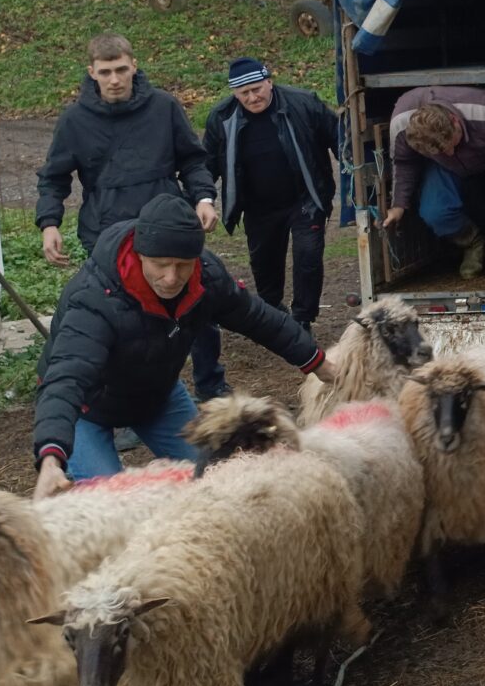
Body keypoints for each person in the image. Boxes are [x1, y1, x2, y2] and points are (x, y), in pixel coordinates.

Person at [32, 195, 331, 495]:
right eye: (160, 265)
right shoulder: (96, 299)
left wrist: (317, 362)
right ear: (140, 254)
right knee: (108, 501)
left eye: (183, 265)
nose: (171, 278)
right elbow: (66, 378)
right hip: (87, 407)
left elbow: (256, 317)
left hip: (156, 394)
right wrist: (50, 458)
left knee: (215, 479)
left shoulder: (205, 277)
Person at [34, 32, 223, 391]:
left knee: (197, 305)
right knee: (120, 320)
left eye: (121, 69)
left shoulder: (164, 107)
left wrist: (203, 198)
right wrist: (49, 223)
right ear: (92, 72)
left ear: (134, 66)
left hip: (168, 226)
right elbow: (54, 177)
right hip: (107, 233)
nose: (115, 79)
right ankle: (127, 398)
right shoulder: (74, 121)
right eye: (105, 72)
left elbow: (192, 160)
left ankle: (210, 386)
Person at [192, 58, 338, 397]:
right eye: (244, 93)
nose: (252, 98)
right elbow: (206, 163)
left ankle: (302, 320)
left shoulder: (303, 104)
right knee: (264, 264)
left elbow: (340, 138)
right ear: (235, 94)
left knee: (308, 256)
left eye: (257, 89)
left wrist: (353, 175)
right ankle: (274, 313)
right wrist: (202, 198)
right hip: (257, 205)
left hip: (305, 198)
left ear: (269, 82)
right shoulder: (222, 118)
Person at [383, 85, 485, 283]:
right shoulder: (402, 123)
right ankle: (473, 244)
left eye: (452, 144)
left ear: (454, 120)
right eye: (443, 150)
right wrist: (398, 205)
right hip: (445, 166)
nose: (451, 152)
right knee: (434, 211)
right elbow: (403, 162)